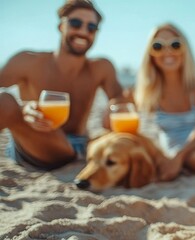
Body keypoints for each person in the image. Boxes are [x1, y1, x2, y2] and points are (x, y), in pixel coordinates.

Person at [0, 0, 123, 170]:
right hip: (31, 142)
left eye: (91, 27)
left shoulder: (101, 67)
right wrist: (24, 109)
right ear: (61, 26)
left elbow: (121, 103)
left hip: (75, 147)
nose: (83, 31)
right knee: (4, 101)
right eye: (75, 23)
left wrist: (114, 108)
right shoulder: (27, 62)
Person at [129, 23, 195, 180]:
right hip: (187, 155)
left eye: (175, 44)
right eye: (158, 46)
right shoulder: (147, 93)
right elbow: (118, 110)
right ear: (150, 54)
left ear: (185, 50)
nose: (168, 51)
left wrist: (179, 156)